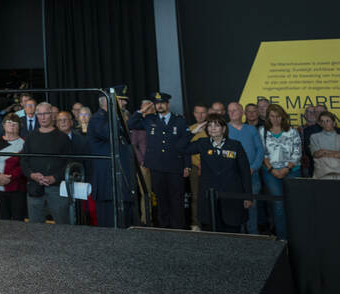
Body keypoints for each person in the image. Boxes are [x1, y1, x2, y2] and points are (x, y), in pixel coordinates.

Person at [127, 91, 193, 229]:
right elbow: (130, 124)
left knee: (177, 199)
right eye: (157, 104)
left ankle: (178, 227)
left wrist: (187, 165)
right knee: (161, 198)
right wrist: (142, 110)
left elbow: (186, 144)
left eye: (162, 103)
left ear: (167, 104)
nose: (160, 106)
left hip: (175, 165)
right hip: (157, 166)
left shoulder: (179, 120)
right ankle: (164, 227)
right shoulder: (149, 119)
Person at [184, 115, 253, 233]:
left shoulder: (235, 145)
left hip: (232, 198)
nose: (213, 128)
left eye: (216, 125)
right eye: (210, 125)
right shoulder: (202, 143)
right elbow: (180, 148)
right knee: (212, 238)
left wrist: (247, 196)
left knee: (232, 236)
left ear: (224, 128)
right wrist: (192, 132)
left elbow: (245, 172)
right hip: (209, 199)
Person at [88, 90, 138, 228]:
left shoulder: (114, 118)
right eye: (121, 100)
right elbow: (109, 132)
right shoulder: (98, 119)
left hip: (121, 184)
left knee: (127, 225)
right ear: (109, 102)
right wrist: (136, 115)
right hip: (108, 185)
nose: (125, 103)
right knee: (110, 227)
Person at [22, 103, 74, 225]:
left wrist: (54, 177)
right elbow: (24, 161)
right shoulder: (30, 137)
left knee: (63, 225)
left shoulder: (63, 137)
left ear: (52, 115)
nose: (43, 117)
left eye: (45, 113)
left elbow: (70, 163)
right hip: (35, 188)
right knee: (36, 228)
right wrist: (32, 175)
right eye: (39, 114)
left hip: (57, 188)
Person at [260, 103, 301, 240]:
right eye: (272, 116)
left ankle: (297, 236)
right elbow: (263, 154)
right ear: (268, 117)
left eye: (278, 116)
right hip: (271, 172)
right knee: (278, 205)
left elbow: (297, 152)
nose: (275, 119)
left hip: (292, 170)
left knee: (295, 204)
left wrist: (286, 168)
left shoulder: (292, 131)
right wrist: (272, 170)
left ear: (282, 117)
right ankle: (282, 238)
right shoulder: (262, 131)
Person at [226, 101, 265, 234]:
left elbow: (260, 150)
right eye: (229, 110)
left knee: (251, 210)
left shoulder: (251, 129)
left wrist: (253, 168)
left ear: (242, 112)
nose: (231, 113)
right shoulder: (224, 129)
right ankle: (240, 240)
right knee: (236, 210)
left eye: (235, 110)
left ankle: (254, 238)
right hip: (232, 178)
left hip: (251, 175)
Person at [0, 113, 27, 221]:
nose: (12, 125)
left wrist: (8, 178)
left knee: (18, 219)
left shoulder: (24, 143)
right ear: (4, 125)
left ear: (19, 127)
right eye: (9, 123)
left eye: (15, 123)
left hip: (17, 187)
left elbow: (23, 165)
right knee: (2, 219)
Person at [309, 111, 340, 180]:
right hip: (321, 173)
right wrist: (336, 154)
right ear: (320, 124)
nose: (325, 123)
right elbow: (316, 154)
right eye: (322, 121)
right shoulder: (314, 137)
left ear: (334, 123)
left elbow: (321, 153)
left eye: (327, 121)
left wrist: (324, 151)